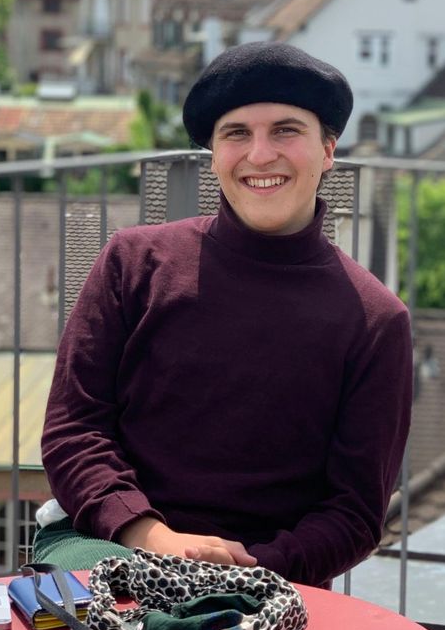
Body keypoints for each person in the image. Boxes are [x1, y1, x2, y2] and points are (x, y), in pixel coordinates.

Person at [35, 42, 413, 588]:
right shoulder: (134, 263)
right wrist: (153, 538)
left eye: (285, 131)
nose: (259, 155)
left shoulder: (376, 321)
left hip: (269, 583)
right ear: (213, 155)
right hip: (111, 543)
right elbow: (74, 431)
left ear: (328, 150)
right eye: (236, 134)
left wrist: (245, 573)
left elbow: (353, 513)